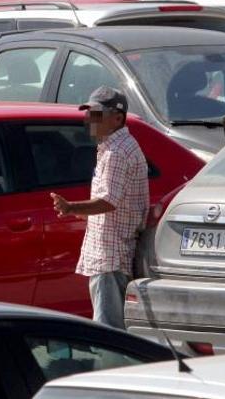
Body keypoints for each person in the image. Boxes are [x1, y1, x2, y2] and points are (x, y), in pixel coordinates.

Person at [50, 86, 149, 329]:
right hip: (111, 255)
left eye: (96, 114)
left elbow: (108, 201)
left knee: (109, 330)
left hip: (111, 257)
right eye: (88, 113)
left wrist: (70, 207)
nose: (88, 119)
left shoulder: (117, 151)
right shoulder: (113, 146)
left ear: (117, 118)